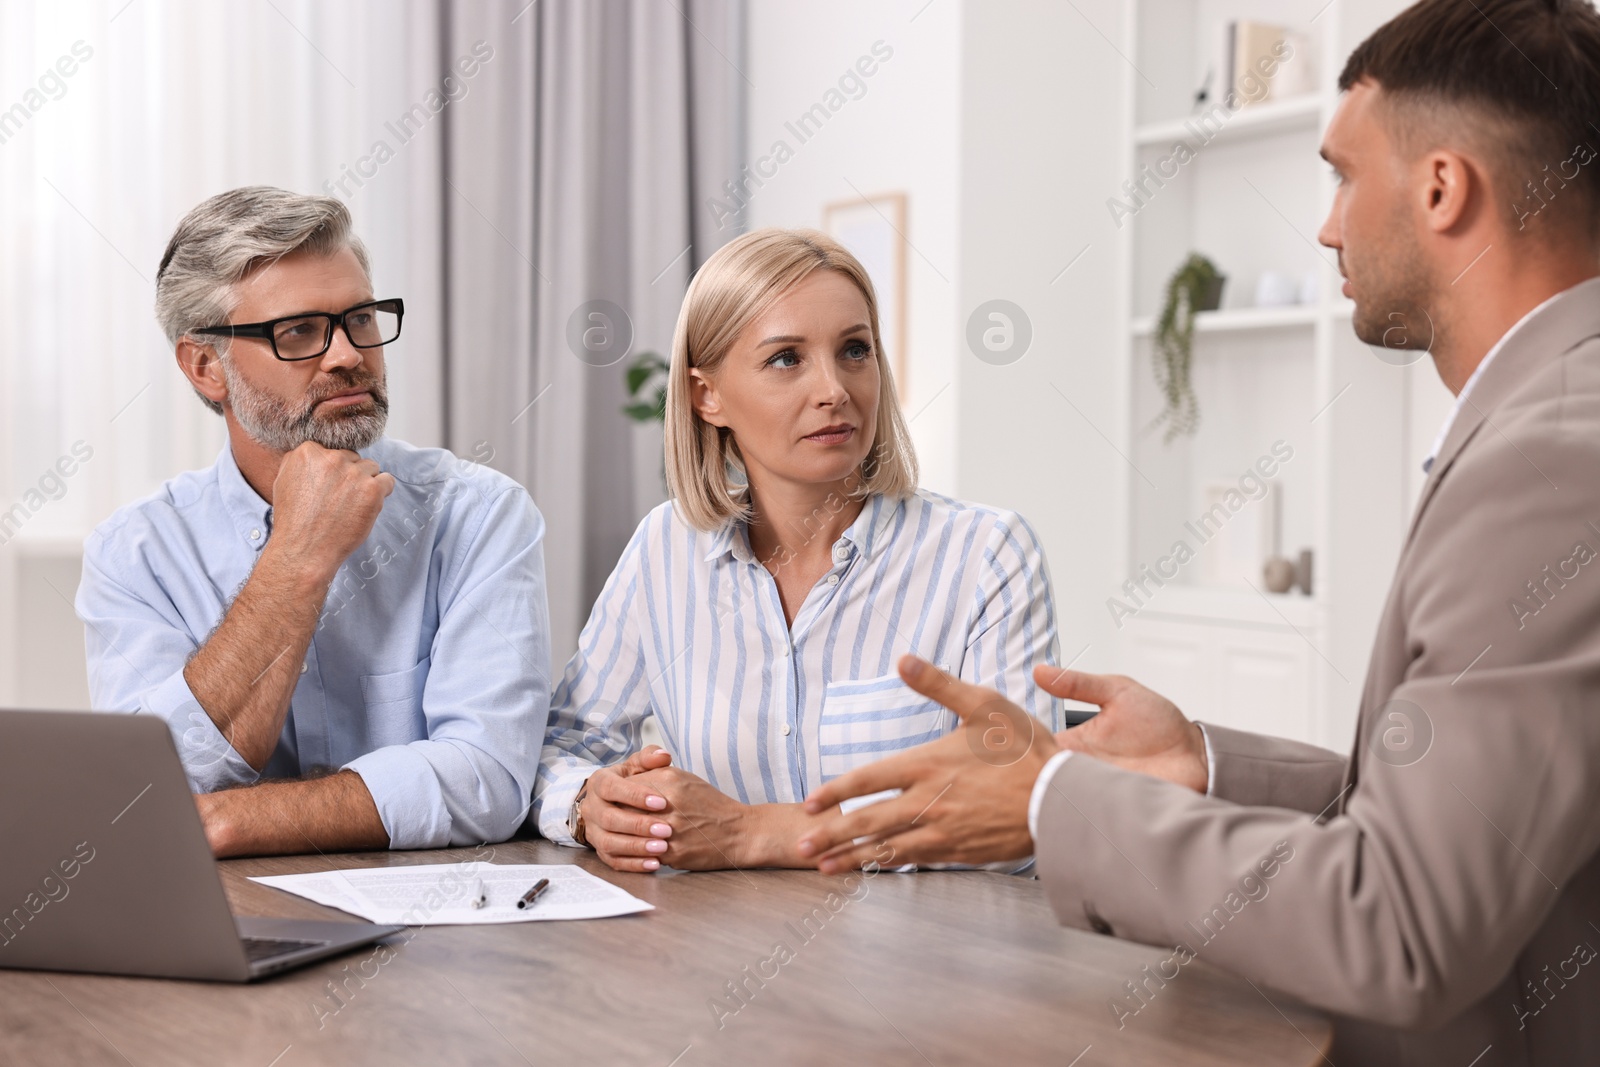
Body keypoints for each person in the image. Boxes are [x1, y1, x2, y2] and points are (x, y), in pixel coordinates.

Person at [793, 0, 1600, 1062]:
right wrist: (1206, 763)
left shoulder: (1545, 456)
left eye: (1342, 175)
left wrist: (1050, 800)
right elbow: (1470, 822)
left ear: (1443, 189)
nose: (1325, 225)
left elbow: (1401, 924)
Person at [530, 228, 1061, 872]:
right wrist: (591, 804)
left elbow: (1015, 812)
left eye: (854, 350)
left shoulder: (986, 555)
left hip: (928, 958)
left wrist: (752, 834)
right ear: (708, 396)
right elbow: (566, 740)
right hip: (711, 950)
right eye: (787, 358)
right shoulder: (664, 550)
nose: (834, 389)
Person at [76, 187, 550, 857]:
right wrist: (297, 557)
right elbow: (148, 796)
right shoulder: (135, 553)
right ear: (205, 366)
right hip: (224, 923)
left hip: (434, 933)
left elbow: (485, 780)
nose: (348, 354)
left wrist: (233, 820)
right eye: (297, 331)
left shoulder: (477, 514)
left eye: (360, 318)